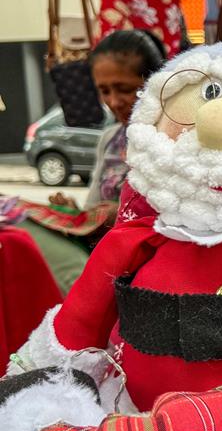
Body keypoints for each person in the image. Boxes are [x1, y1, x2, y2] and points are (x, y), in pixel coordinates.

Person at [19, 29, 166, 293]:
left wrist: (123, 215)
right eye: (104, 91)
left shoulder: (176, 139)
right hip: (108, 262)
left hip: (156, 271)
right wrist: (75, 214)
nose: (114, 101)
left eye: (125, 89)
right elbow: (93, 205)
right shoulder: (110, 140)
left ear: (155, 82)